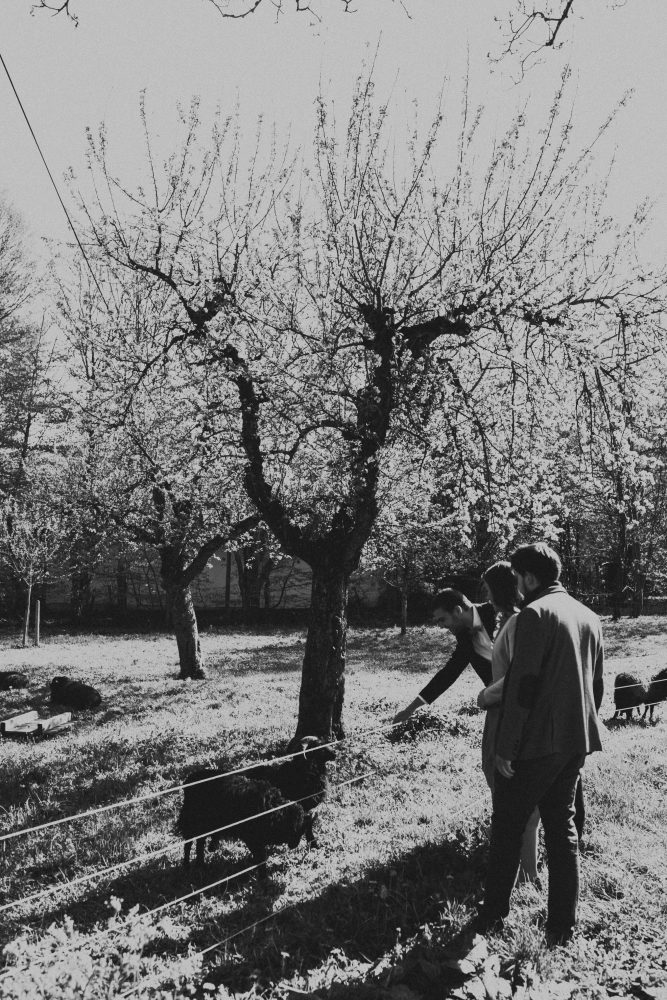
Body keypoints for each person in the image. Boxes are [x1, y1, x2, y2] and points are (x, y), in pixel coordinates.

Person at [476, 542, 604, 946]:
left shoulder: (534, 614)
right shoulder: (589, 615)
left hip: (535, 746)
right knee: (561, 827)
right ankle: (561, 927)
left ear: (529, 578)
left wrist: (506, 747)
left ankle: (493, 916)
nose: (514, 587)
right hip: (575, 741)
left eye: (516, 578)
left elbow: (522, 687)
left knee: (507, 827)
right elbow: (596, 687)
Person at [476, 561, 540, 884]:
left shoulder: (515, 623)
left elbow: (515, 677)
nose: (485, 595)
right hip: (500, 716)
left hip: (505, 715)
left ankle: (524, 875)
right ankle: (525, 872)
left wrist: (486, 695)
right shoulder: (508, 622)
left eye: (488, 588)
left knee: (513, 801)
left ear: (499, 588)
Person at [393, 587, 495, 725]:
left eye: (442, 619)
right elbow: (449, 673)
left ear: (458, 611)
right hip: (499, 700)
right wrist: (410, 709)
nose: (441, 626)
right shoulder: (464, 636)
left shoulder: (495, 611)